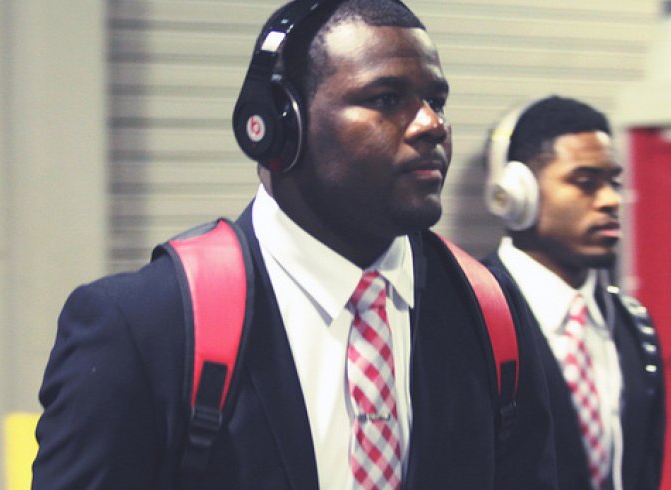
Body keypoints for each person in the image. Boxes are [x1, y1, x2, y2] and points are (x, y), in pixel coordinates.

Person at [32, 1, 557, 489]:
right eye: (386, 99)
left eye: (436, 101)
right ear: (281, 128)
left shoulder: (492, 312)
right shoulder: (142, 328)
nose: (432, 125)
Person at [481, 95, 666, 490]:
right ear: (517, 195)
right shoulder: (468, 312)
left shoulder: (632, 324)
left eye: (613, 182)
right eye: (585, 183)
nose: (611, 200)